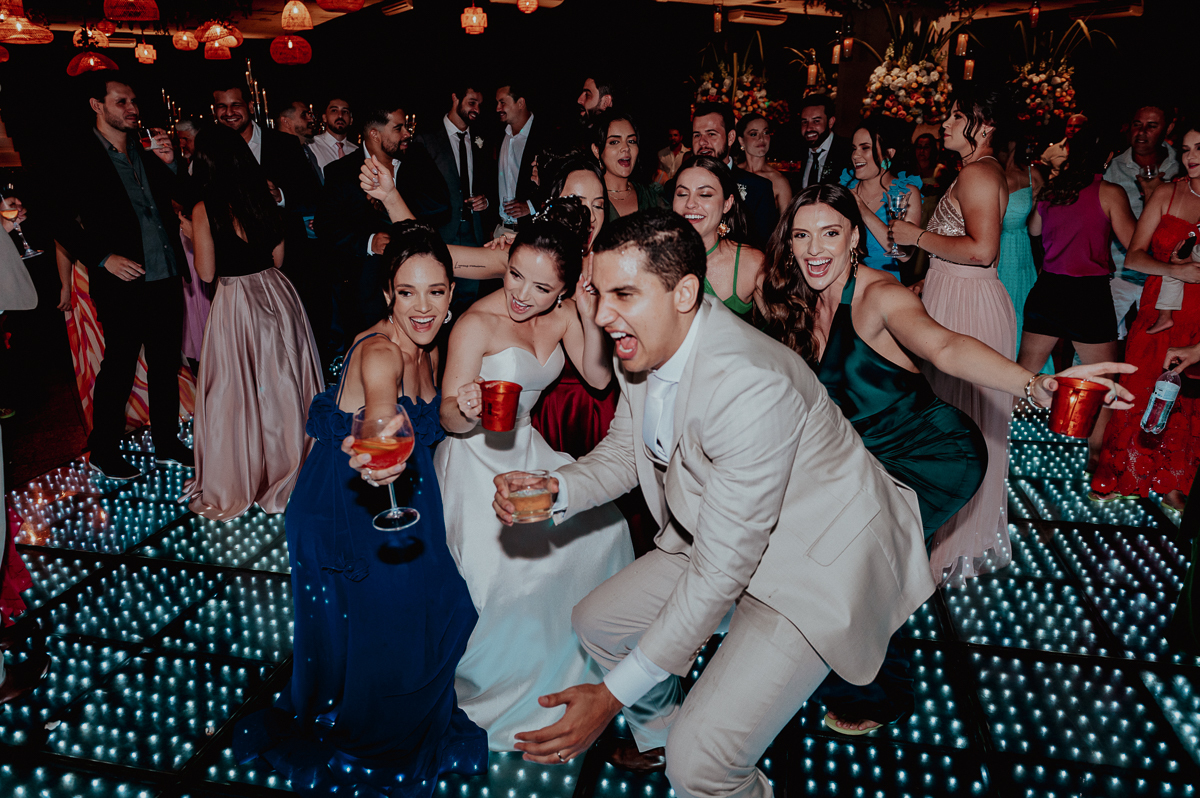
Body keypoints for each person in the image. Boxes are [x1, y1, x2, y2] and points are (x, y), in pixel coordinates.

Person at [491, 208, 936, 794]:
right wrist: (559, 489)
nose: (601, 315)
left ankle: (705, 766)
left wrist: (610, 697)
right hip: (724, 537)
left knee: (701, 763)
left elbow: (722, 570)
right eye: (599, 293)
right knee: (597, 622)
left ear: (685, 293)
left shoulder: (750, 384)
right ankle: (670, 742)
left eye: (624, 293)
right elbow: (628, 451)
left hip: (811, 566)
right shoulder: (645, 346)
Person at [758, 183, 1134, 734]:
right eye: (801, 235)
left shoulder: (880, 296)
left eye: (830, 233)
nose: (815, 248)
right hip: (859, 461)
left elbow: (945, 346)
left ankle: (882, 687)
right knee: (856, 563)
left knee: (860, 562)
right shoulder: (790, 301)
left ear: (855, 239)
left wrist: (1036, 384)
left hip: (932, 456)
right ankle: (853, 667)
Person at [235, 221, 488, 793]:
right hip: (340, 509)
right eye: (406, 292)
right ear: (386, 295)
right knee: (390, 627)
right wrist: (381, 445)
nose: (421, 307)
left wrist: (465, 411)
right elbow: (381, 404)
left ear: (452, 293)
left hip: (399, 502)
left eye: (435, 291)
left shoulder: (435, 342)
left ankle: (394, 716)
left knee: (435, 607)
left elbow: (441, 420)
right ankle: (378, 741)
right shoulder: (380, 350)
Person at [435, 199, 634, 750]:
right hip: (473, 457)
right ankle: (502, 693)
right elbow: (447, 416)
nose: (521, 295)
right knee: (507, 574)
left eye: (540, 288)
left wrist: (594, 309)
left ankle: (580, 677)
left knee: (606, 530)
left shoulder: (569, 314)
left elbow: (597, 378)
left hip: (528, 452)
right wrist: (466, 405)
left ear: (565, 291)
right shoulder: (477, 323)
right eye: (515, 275)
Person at [890, 86, 1017, 584]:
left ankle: (953, 539)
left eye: (956, 116)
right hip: (953, 294)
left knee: (966, 426)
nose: (943, 124)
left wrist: (916, 237)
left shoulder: (980, 173)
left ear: (983, 126)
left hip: (970, 307)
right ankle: (948, 531)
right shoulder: (973, 171)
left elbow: (983, 250)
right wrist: (929, 274)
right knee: (960, 420)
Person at [52, 75, 192, 480]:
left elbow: (181, 192)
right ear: (97, 105)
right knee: (120, 367)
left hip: (164, 274)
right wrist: (102, 257)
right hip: (121, 281)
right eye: (121, 101)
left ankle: (167, 443)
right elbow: (57, 219)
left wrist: (171, 163)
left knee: (166, 364)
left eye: (133, 101)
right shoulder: (78, 156)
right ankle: (103, 450)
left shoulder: (143, 151)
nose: (132, 108)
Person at [181, 124, 323, 520]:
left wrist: (192, 235)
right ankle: (294, 462)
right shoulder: (265, 194)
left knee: (237, 391)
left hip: (237, 301)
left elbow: (206, 274)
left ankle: (248, 470)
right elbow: (277, 259)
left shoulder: (204, 209)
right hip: (279, 293)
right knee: (284, 382)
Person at [1091, 117, 1200, 512]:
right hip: (1157, 310)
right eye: (1186, 149)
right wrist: (1176, 270)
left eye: (1199, 149)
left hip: (1198, 318)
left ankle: (1176, 481)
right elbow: (1134, 256)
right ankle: (1125, 473)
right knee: (1141, 389)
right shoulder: (1167, 195)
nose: (1190, 158)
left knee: (1189, 399)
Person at [1019, 126, 1137, 465]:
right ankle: (1095, 461)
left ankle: (999, 446)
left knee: (1023, 376)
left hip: (1050, 290)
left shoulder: (1053, 191)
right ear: (1110, 156)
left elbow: (1033, 231)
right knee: (1104, 383)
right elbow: (1133, 244)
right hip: (1088, 294)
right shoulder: (1109, 192)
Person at [1105, 102, 1179, 339]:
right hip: (1120, 272)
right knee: (1099, 340)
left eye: (1151, 126)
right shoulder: (1113, 169)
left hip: (1167, 276)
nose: (1142, 132)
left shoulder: (1182, 165)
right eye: (1137, 125)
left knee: (1156, 345)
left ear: (1167, 129)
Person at [671, 155, 763, 318]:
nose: (690, 203)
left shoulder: (751, 263)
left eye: (705, 194)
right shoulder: (655, 259)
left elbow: (784, 333)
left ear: (727, 204)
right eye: (682, 194)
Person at [838, 117, 923, 282]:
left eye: (865, 148)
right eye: (854, 148)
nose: (856, 155)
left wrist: (863, 209)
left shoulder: (906, 194)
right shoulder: (843, 190)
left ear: (888, 154)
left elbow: (905, 254)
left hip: (885, 287)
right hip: (844, 282)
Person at [690, 101, 778, 250]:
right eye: (697, 135)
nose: (702, 142)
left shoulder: (758, 189)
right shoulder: (675, 188)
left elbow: (767, 251)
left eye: (711, 134)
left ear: (731, 138)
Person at [414, 85, 493, 247]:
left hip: (476, 233)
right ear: (455, 98)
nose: (477, 110)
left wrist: (486, 201)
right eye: (472, 103)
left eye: (480, 105)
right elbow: (416, 192)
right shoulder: (427, 139)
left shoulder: (483, 139)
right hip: (440, 234)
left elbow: (491, 181)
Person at [995, 134, 1041, 359]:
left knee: (1016, 312)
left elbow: (1036, 229)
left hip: (1016, 252)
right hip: (1002, 249)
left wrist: (1037, 202)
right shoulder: (989, 174)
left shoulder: (1032, 175)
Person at [592, 110, 663, 219]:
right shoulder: (590, 198)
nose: (626, 148)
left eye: (631, 141)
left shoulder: (652, 197)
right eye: (614, 142)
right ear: (596, 150)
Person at [496, 84, 544, 233]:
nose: (498, 108)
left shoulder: (544, 135)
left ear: (521, 103)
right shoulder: (498, 135)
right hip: (502, 230)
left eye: (502, 102)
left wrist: (531, 206)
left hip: (532, 231)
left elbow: (559, 183)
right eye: (497, 103)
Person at [735, 113, 792, 216]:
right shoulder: (732, 173)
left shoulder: (779, 181)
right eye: (753, 134)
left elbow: (786, 226)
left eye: (765, 132)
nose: (761, 138)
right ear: (741, 141)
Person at [796, 94, 852, 189]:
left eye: (816, 121)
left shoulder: (848, 152)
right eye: (805, 122)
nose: (809, 128)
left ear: (831, 122)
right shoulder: (796, 151)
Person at [308, 96, 357, 176]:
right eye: (334, 110)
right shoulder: (312, 147)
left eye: (345, 111)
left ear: (351, 120)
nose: (340, 115)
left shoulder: (356, 152)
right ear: (324, 117)